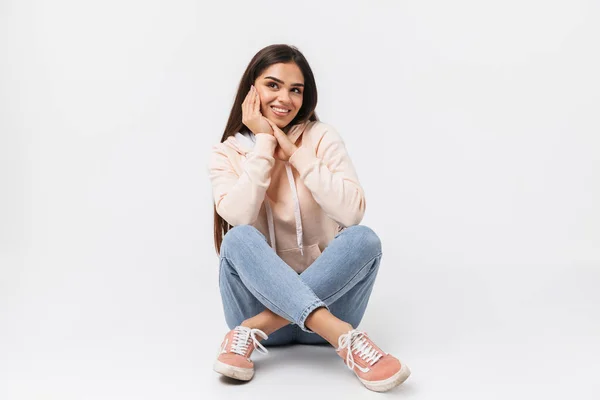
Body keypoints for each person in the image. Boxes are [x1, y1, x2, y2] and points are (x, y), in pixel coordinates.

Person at [207, 44, 410, 392]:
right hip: (285, 323)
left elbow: (352, 212)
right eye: (273, 85)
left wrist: (296, 154)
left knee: (364, 239)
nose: (284, 98)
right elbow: (238, 215)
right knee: (238, 238)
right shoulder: (226, 153)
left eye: (295, 89)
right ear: (250, 90)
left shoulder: (322, 137)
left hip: (269, 327)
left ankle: (258, 327)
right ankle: (345, 339)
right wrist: (265, 144)